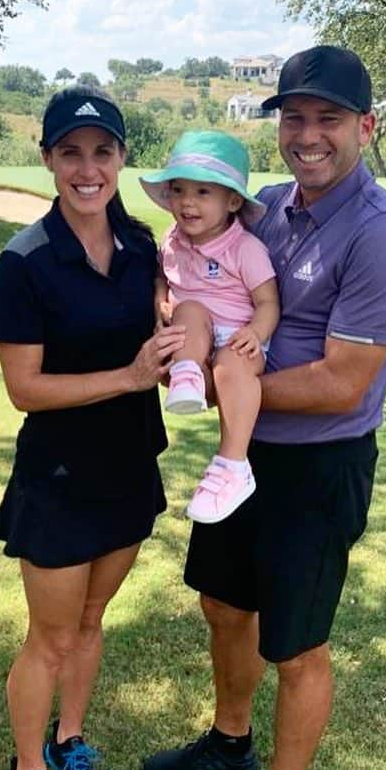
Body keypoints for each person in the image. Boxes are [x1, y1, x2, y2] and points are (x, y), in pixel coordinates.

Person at [141, 46, 386, 770]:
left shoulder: (383, 236)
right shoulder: (262, 208)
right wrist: (176, 341)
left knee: (297, 646)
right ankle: (230, 741)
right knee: (224, 604)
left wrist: (236, 384)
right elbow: (201, 275)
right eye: (293, 117)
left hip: (318, 465)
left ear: (366, 128)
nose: (308, 135)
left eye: (328, 119)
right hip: (247, 452)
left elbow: (344, 382)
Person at [0, 86, 185, 770]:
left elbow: (172, 326)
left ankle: (71, 738)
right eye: (70, 152)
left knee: (93, 622)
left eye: (102, 151)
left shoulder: (142, 247)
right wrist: (131, 377)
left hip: (131, 463)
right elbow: (23, 390)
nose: (88, 168)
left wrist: (182, 362)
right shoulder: (26, 262)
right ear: (47, 160)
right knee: (50, 636)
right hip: (61, 476)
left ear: (122, 159)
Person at [139, 130, 280, 523]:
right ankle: (187, 376)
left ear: (232, 201)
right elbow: (163, 277)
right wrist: (160, 302)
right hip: (194, 333)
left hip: (237, 337)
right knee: (190, 311)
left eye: (203, 192)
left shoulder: (244, 249)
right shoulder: (171, 241)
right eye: (179, 190)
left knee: (231, 367)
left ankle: (233, 464)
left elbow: (269, 301)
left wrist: (257, 332)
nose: (187, 202)